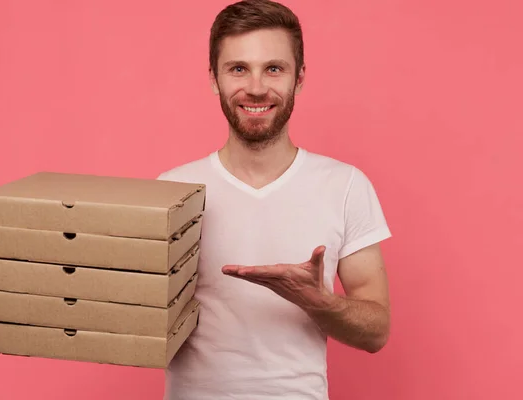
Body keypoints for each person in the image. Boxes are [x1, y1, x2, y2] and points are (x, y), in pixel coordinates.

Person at [157, 1, 392, 399]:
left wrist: (319, 302)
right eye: (238, 69)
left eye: (274, 68)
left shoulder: (346, 185)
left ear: (298, 78)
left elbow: (376, 331)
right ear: (214, 78)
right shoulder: (172, 191)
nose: (256, 87)